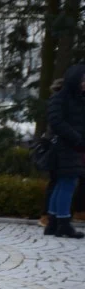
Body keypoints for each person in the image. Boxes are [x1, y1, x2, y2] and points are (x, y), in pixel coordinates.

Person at [44, 63, 85, 238]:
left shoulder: (77, 98)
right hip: (65, 147)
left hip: (71, 146)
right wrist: (76, 138)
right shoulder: (60, 98)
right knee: (67, 184)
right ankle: (63, 223)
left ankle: (53, 222)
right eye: (83, 80)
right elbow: (56, 122)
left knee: (62, 184)